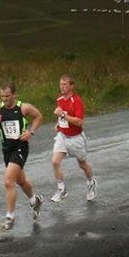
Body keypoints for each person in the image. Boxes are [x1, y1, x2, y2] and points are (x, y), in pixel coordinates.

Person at [0, 81, 44, 231]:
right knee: (22, 181)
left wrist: (30, 132)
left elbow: (38, 116)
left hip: (20, 148)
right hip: (7, 149)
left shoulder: (23, 107)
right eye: (2, 96)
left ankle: (10, 218)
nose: (4, 99)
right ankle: (35, 200)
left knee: (8, 181)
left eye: (7, 96)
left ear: (14, 95)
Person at [50, 74, 96, 203]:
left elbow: (79, 122)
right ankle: (61, 189)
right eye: (61, 84)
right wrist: (59, 124)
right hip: (62, 136)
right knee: (55, 161)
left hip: (76, 138)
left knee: (82, 164)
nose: (62, 87)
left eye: (65, 84)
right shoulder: (59, 99)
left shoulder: (77, 101)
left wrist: (63, 115)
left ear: (71, 86)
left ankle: (91, 182)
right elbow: (62, 117)